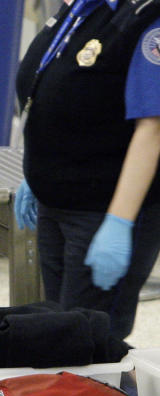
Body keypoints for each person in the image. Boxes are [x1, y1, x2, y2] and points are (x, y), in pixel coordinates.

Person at [14, 0, 160, 340]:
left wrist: (120, 222)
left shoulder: (146, 18)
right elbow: (55, 89)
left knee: (89, 346)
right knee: (59, 331)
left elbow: (152, 129)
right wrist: (38, 169)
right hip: (58, 202)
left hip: (105, 211)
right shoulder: (83, 8)